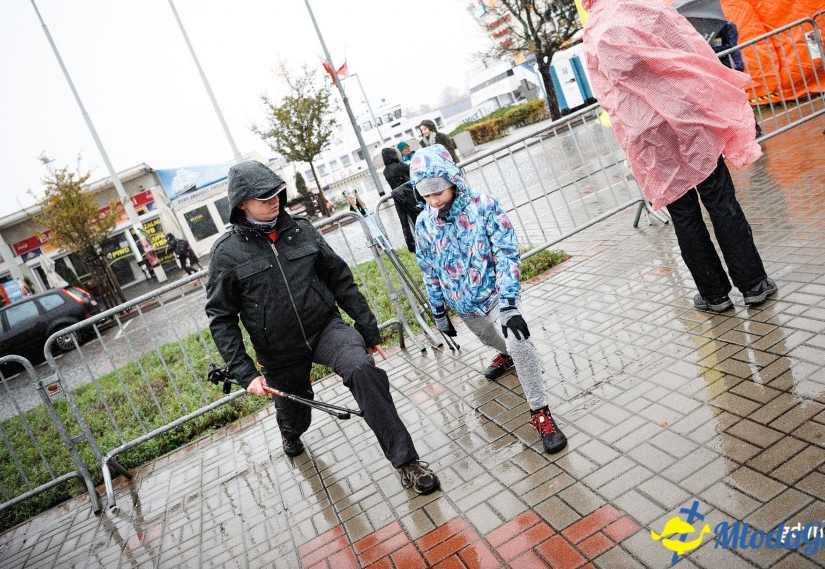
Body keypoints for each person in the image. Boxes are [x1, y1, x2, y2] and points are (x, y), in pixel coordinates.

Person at [205, 160, 439, 495]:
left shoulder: (302, 230)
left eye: (277, 193)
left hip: (326, 329)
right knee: (295, 414)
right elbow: (221, 317)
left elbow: (340, 279)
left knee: (362, 370)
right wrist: (244, 372)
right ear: (241, 203)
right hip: (278, 350)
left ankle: (407, 462)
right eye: (263, 197)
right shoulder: (226, 253)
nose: (274, 201)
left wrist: (368, 330)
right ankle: (290, 433)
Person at [579, 0, 776, 312]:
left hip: (649, 135)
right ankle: (753, 284)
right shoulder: (646, 5)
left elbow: (606, 94)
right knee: (720, 199)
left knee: (684, 213)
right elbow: (691, 49)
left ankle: (714, 295)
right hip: (686, 116)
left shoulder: (593, 35)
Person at [410, 145, 567, 455]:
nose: (434, 199)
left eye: (438, 191)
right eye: (426, 194)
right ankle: (505, 355)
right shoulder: (424, 223)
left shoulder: (484, 205)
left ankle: (540, 412)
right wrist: (438, 310)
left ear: (452, 179)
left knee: (518, 340)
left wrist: (509, 304)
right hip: (463, 303)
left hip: (496, 294)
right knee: (490, 340)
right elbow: (429, 270)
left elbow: (507, 253)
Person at [381, 147, 423, 253]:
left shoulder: (385, 171)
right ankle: (423, 239)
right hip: (408, 195)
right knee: (418, 218)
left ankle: (411, 244)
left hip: (397, 197)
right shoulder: (400, 166)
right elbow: (411, 173)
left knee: (404, 222)